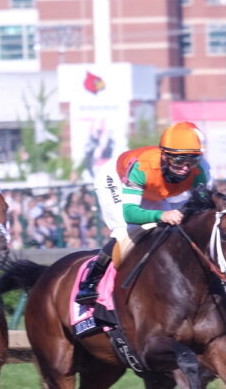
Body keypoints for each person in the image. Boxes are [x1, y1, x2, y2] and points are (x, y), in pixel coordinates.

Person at [75, 122, 209, 305]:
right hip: (115, 180)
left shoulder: (200, 172)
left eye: (192, 161)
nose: (186, 167)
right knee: (126, 232)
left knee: (173, 233)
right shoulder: (142, 166)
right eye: (179, 160)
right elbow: (129, 213)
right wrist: (161, 216)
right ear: (165, 156)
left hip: (153, 190)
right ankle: (90, 282)